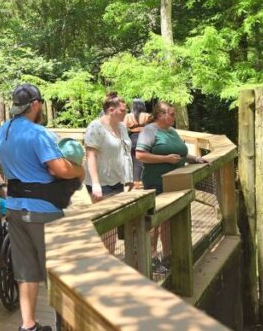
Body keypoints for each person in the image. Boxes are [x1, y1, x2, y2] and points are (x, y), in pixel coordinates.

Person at [0, 84, 85, 331]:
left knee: (26, 269)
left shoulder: (4, 130)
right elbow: (60, 169)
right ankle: (63, 324)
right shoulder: (38, 133)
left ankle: (28, 325)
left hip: (15, 207)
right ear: (35, 104)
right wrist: (80, 170)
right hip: (43, 211)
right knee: (56, 271)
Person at [135, 101, 208, 273]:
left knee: (168, 222)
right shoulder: (150, 130)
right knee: (154, 222)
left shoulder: (172, 131)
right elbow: (140, 155)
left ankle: (168, 257)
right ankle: (152, 258)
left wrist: (196, 159)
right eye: (172, 114)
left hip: (174, 184)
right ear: (161, 115)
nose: (174, 117)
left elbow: (181, 153)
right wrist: (165, 159)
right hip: (156, 182)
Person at [83, 92, 133, 253]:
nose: (126, 113)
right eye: (123, 110)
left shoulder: (122, 127)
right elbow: (90, 155)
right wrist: (95, 184)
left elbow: (124, 154)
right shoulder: (95, 127)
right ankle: (104, 259)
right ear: (111, 110)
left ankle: (109, 257)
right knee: (105, 225)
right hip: (101, 183)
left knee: (113, 224)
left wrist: (129, 177)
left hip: (118, 180)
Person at [124, 98, 152, 187]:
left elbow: (123, 129)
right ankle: (145, 180)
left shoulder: (128, 116)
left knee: (135, 160)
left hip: (133, 139)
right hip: (145, 138)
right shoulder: (147, 116)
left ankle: (136, 182)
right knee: (146, 159)